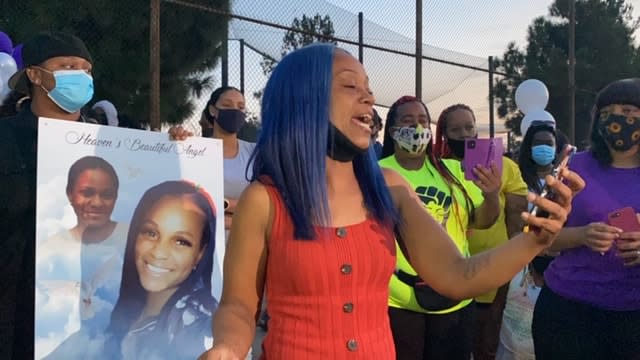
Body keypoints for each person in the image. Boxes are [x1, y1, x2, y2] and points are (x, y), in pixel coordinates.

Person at [196, 43, 582, 360]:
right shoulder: (263, 200)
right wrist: (228, 348)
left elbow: (457, 276)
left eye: (368, 88)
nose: (369, 97)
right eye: (350, 86)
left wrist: (535, 239)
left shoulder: (391, 188)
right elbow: (239, 306)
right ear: (303, 99)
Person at [379, 96, 501, 360]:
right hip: (396, 300)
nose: (417, 127)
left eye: (423, 120)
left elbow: (482, 220)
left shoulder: (454, 170)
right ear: (392, 130)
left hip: (454, 297)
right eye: (407, 121)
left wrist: (492, 195)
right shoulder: (376, 173)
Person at [0, 31, 95, 360]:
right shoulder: (4, 139)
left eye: (86, 69)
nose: (80, 76)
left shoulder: (110, 144)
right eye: (68, 65)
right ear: (35, 75)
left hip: (87, 310)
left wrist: (177, 146)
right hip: (14, 309)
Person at [532, 78, 640, 360]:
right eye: (609, 111)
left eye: (629, 110)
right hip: (568, 312)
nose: (619, 118)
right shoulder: (572, 167)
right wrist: (581, 235)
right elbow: (539, 239)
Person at [434, 104, 529, 360]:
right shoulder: (437, 169)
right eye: (455, 129)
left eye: (469, 127)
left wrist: (512, 268)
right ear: (444, 135)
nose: (465, 134)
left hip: (494, 271)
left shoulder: (506, 166)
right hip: (449, 274)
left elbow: (517, 218)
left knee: (487, 342)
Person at [102, 180, 219, 360]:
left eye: (181, 241)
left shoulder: (201, 326)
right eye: (151, 233)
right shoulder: (125, 310)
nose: (159, 252)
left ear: (200, 254)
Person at [495, 122, 559, 360]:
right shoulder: (518, 179)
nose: (543, 148)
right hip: (521, 266)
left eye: (548, 144)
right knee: (515, 336)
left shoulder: (563, 183)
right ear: (529, 147)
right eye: (538, 143)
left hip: (554, 267)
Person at [170, 87, 255, 232]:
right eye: (227, 105)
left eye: (241, 107)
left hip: (244, 240)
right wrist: (173, 142)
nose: (235, 111)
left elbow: (261, 206)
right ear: (212, 110)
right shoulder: (194, 150)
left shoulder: (255, 152)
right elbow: (183, 202)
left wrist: (220, 205)